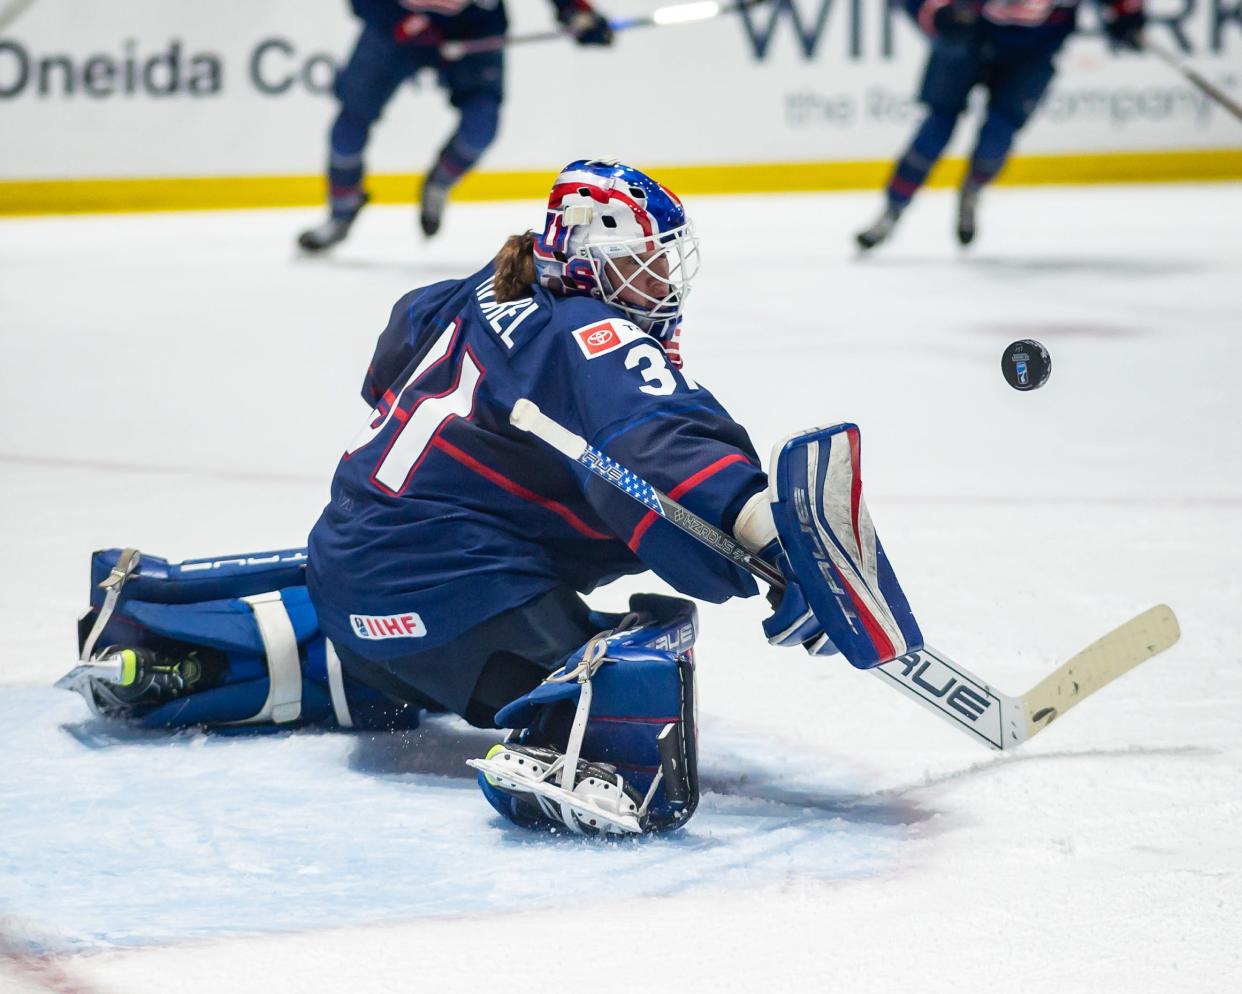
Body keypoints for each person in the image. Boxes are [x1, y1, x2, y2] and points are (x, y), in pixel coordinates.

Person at [63, 160, 918, 835]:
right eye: (646, 265)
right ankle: (578, 747)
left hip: (354, 577)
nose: (662, 285)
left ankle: (172, 642)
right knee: (648, 639)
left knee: (391, 620)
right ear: (594, 255)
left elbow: (389, 361)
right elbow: (663, 448)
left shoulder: (486, 285)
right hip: (454, 601)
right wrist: (771, 544)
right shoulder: (593, 329)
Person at [297, 0, 613, 252]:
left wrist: (577, 13)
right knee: (348, 128)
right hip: (394, 29)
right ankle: (341, 212)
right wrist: (395, 21)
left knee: (481, 126)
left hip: (472, 32)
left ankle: (438, 184)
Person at [855, 0, 1146, 250]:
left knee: (995, 142)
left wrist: (1126, 17)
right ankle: (891, 211)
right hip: (967, 39)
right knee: (935, 129)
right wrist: (935, 12)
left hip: (1033, 53)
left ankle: (972, 190)